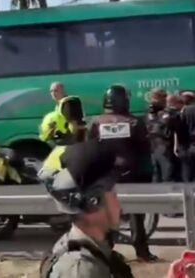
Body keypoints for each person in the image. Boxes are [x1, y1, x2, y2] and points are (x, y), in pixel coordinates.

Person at [39, 140, 134, 278]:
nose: (119, 204)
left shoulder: (92, 251)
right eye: (113, 194)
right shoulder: (80, 271)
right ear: (93, 202)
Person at [87, 84, 157, 262]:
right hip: (130, 174)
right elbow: (145, 150)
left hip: (105, 176)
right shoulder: (134, 122)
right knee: (136, 215)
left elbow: (89, 149)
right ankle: (142, 251)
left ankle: (106, 251)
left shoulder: (96, 122)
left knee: (106, 214)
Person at [147, 88, 178, 183]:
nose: (153, 101)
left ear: (163, 99)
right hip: (154, 148)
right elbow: (148, 126)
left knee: (167, 176)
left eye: (155, 98)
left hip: (165, 148)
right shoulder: (151, 113)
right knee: (156, 175)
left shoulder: (169, 112)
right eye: (152, 98)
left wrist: (161, 113)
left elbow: (165, 124)